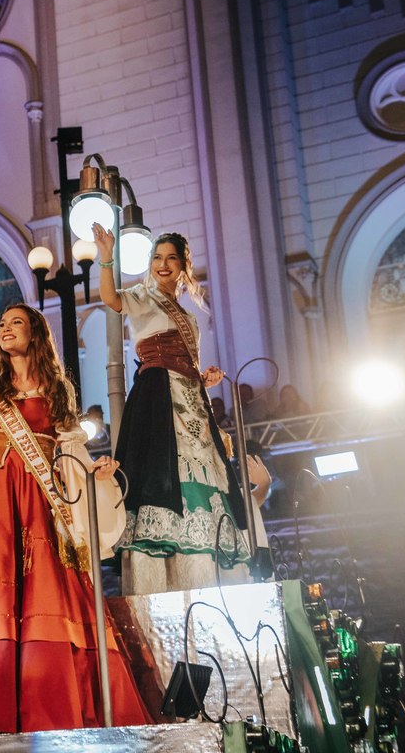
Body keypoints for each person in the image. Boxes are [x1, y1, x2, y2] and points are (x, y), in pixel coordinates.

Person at [0, 304, 152, 733]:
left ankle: (50, 705)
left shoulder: (57, 391)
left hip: (41, 502)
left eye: (16, 323)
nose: (5, 328)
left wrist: (93, 475)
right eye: (2, 323)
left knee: (48, 590)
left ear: (36, 335)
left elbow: (72, 453)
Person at [93, 225, 251, 595]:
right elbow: (110, 298)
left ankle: (202, 565)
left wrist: (204, 378)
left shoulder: (189, 318)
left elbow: (186, 364)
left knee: (200, 474)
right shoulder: (142, 296)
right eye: (157, 258)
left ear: (183, 265)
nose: (163, 264)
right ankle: (159, 570)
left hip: (190, 398)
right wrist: (106, 257)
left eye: (171, 258)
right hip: (157, 396)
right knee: (162, 472)